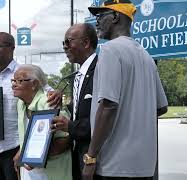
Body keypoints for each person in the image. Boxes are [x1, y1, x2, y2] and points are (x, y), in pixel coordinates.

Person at [83, 0, 168, 180]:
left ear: (115, 16)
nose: (96, 22)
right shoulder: (146, 56)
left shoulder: (110, 50)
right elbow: (161, 107)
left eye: (100, 16)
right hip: (144, 165)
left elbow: (108, 106)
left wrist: (90, 158)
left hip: (114, 166)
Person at [0, 32, 61, 180]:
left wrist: (57, 92)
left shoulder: (22, 73)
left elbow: (47, 92)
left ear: (11, 48)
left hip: (15, 148)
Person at [51, 23, 98, 180]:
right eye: (63, 43)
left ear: (85, 43)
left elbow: (104, 116)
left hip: (96, 158)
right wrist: (62, 104)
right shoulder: (77, 75)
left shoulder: (101, 69)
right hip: (78, 156)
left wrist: (70, 126)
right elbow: (79, 110)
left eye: (68, 41)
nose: (65, 47)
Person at [12, 64, 72, 180]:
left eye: (19, 81)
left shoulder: (49, 103)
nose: (14, 84)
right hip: (30, 172)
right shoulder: (20, 104)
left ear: (34, 84)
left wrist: (35, 156)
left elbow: (67, 139)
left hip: (52, 172)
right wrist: (23, 151)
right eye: (13, 81)